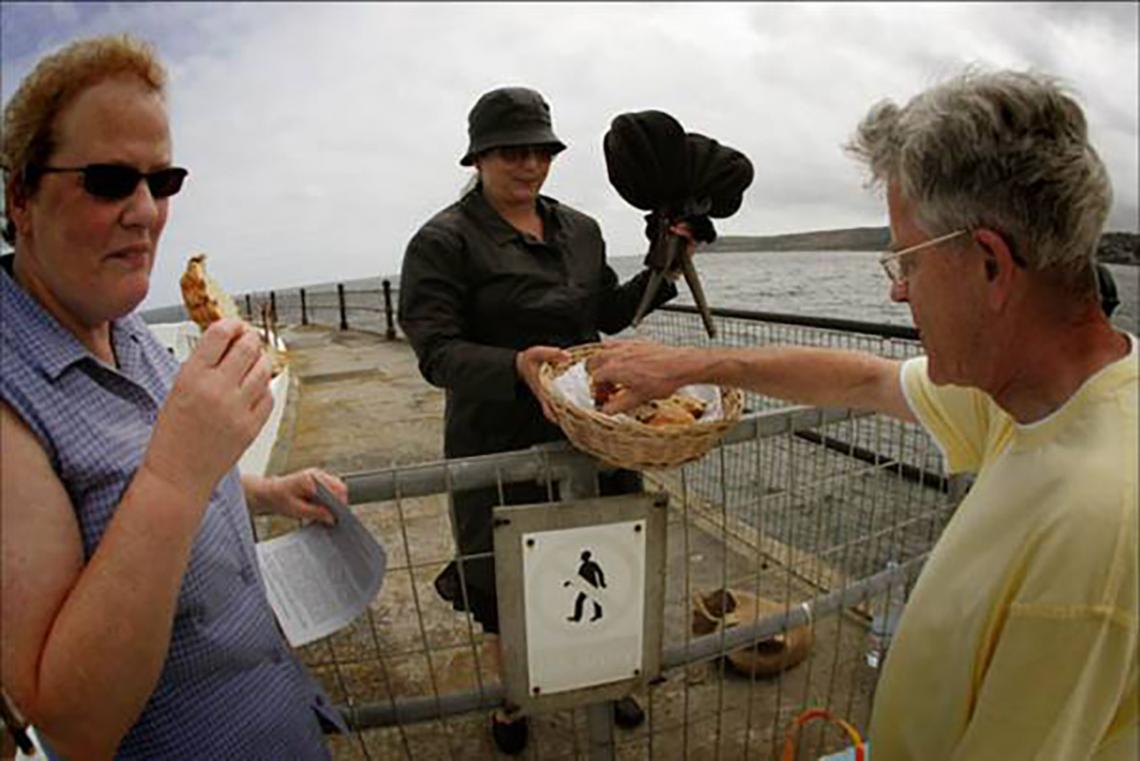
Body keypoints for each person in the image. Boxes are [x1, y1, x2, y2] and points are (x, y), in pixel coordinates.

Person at [589, 68, 1137, 759]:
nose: (898, 293)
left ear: (991, 266)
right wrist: (696, 365)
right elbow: (867, 380)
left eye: (905, 261)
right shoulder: (1035, 395)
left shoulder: (1093, 531)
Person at [0, 35, 348, 760]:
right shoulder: (12, 396)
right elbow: (70, 723)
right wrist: (182, 469)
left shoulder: (123, 327)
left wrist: (260, 489)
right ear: (21, 197)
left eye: (162, 181)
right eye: (108, 180)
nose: (146, 212)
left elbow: (115, 492)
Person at [398, 85, 691, 754]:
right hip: (496, 440)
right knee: (508, 580)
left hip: (590, 432)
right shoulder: (443, 241)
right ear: (479, 156)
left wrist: (667, 267)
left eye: (540, 151)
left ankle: (609, 676)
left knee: (605, 554)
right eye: (511, 152)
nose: (529, 165)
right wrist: (516, 367)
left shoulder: (581, 230)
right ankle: (512, 700)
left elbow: (608, 312)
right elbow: (436, 351)